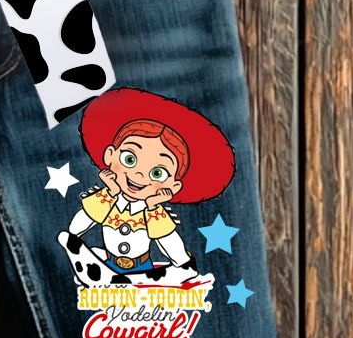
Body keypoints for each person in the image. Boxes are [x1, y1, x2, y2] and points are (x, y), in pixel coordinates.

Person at [59, 86, 235, 288]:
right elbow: (75, 229)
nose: (139, 176)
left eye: (157, 173)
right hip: (106, 265)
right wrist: (110, 193)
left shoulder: (154, 215)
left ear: (174, 186)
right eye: (130, 159)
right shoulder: (106, 201)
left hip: (142, 271)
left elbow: (169, 244)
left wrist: (183, 264)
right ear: (109, 156)